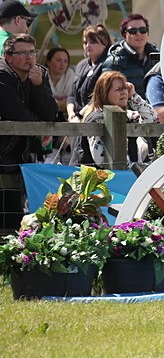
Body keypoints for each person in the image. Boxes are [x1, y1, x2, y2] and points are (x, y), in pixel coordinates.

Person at [0, 33, 58, 232]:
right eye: (22, 53)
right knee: (8, 209)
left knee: (26, 213)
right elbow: (14, 111)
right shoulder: (2, 74)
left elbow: (51, 113)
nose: (29, 57)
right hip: (3, 154)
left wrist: (39, 86)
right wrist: (39, 128)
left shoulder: (39, 73)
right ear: (8, 57)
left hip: (26, 155)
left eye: (32, 52)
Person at [72, 71, 156, 168]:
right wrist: (134, 169)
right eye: (118, 89)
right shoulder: (96, 119)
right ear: (104, 93)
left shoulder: (127, 115)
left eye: (125, 88)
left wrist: (133, 96)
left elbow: (152, 118)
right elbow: (101, 160)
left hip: (127, 175)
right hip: (99, 179)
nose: (124, 92)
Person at [99, 13, 159, 98]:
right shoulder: (115, 60)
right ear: (124, 35)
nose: (138, 34)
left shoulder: (158, 57)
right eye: (133, 31)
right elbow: (104, 93)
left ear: (147, 33)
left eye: (143, 30)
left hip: (156, 109)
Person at [69, 25, 112, 121]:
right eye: (85, 42)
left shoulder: (108, 65)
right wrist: (71, 113)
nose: (87, 45)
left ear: (104, 43)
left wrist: (80, 116)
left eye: (92, 42)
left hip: (97, 119)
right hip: (77, 118)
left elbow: (99, 97)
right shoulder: (81, 65)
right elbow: (71, 95)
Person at [43, 47, 75, 119]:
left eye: (65, 61)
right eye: (58, 60)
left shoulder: (70, 74)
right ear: (48, 62)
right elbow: (43, 100)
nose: (62, 64)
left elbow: (71, 97)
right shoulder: (42, 74)